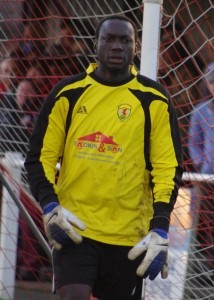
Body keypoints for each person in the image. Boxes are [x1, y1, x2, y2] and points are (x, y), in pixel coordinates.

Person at [24, 15, 183, 300]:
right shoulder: (67, 94)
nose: (117, 46)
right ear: (95, 44)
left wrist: (160, 228)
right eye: (109, 38)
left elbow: (167, 168)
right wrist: (49, 206)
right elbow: (39, 159)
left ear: (135, 47)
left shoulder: (155, 99)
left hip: (130, 237)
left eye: (125, 40)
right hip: (75, 229)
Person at [187, 61, 214, 286]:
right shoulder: (200, 111)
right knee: (204, 224)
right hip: (206, 179)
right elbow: (193, 144)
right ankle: (202, 270)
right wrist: (202, 163)